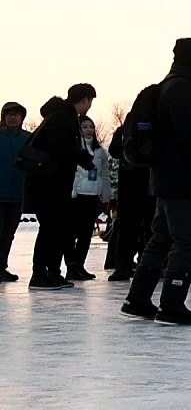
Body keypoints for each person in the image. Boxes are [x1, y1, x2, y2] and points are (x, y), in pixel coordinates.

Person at [121, 39, 191, 325]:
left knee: (161, 239)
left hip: (168, 179)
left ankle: (138, 298)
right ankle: (171, 303)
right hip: (184, 180)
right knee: (186, 241)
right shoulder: (183, 88)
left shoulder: (173, 85)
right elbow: (190, 134)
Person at [26, 84, 96, 290]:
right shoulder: (60, 118)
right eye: (90, 101)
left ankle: (52, 272)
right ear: (83, 99)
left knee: (57, 228)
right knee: (50, 228)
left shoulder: (65, 117)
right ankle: (39, 273)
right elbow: (59, 149)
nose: (89, 106)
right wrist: (80, 156)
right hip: (48, 184)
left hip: (55, 183)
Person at [106, 124, 155, 282]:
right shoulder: (155, 126)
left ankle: (125, 264)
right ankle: (143, 263)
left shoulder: (125, 129)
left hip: (131, 181)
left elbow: (114, 150)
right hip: (145, 181)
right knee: (145, 225)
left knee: (130, 225)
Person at [65, 115, 110, 281]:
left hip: (92, 195)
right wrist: (72, 191)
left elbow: (104, 174)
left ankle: (80, 265)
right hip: (77, 196)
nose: (89, 130)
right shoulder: (75, 149)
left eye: (91, 127)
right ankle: (71, 266)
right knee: (71, 233)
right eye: (84, 127)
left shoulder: (100, 152)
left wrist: (105, 193)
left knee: (86, 233)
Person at [0, 102, 30, 282]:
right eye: (9, 114)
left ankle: (2, 266)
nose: (12, 118)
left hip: (18, 193)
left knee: (8, 233)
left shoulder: (28, 138)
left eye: (16, 114)